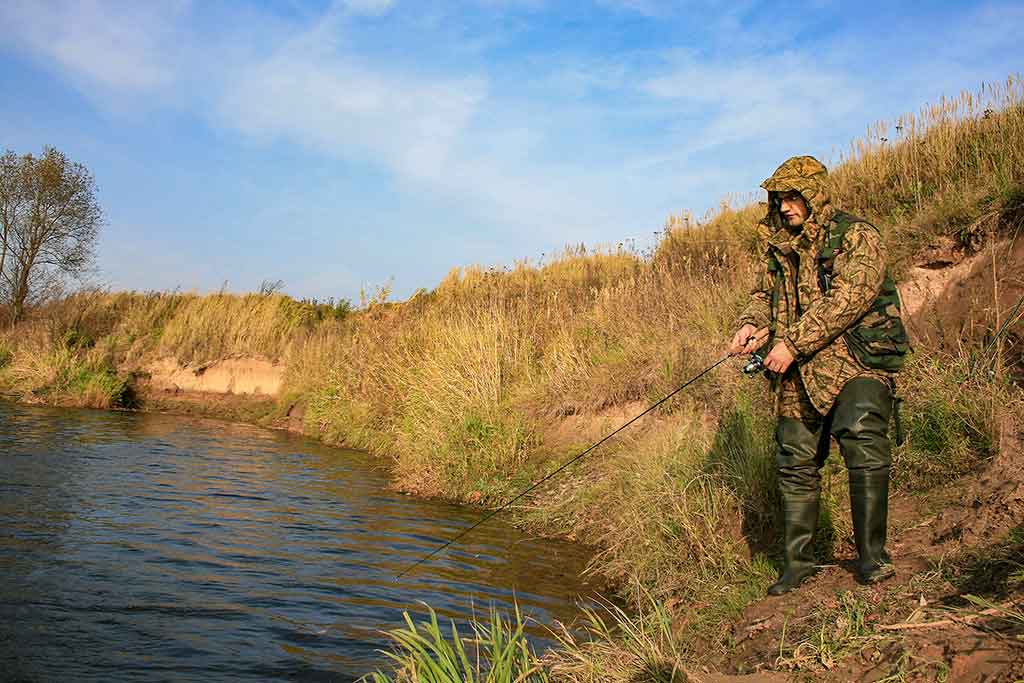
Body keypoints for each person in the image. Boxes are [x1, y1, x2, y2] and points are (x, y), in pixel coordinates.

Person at [728, 155, 909, 595]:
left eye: (794, 197)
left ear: (815, 195)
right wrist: (752, 325)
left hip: (857, 360)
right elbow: (762, 295)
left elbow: (850, 298)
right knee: (794, 460)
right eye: (779, 198)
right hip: (798, 369)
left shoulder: (857, 236)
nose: (785, 206)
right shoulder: (778, 248)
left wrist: (791, 343)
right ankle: (798, 565)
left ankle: (873, 558)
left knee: (863, 439)